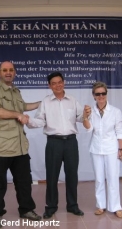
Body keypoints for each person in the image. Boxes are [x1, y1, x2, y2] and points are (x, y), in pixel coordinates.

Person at [0, 61, 42, 227]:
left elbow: (23, 106)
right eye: (4, 70)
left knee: (24, 182)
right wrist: (18, 115)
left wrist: (42, 103)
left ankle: (26, 209)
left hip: (20, 147)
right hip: (0, 147)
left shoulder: (16, 91)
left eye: (11, 70)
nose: (8, 72)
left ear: (14, 72)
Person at [26, 72, 91, 219]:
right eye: (53, 83)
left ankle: (73, 206)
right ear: (49, 86)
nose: (57, 85)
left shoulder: (73, 100)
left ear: (64, 82)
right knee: (52, 175)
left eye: (59, 82)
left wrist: (86, 114)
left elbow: (81, 118)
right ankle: (51, 207)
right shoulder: (45, 102)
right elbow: (40, 121)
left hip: (71, 142)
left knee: (72, 175)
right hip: (54, 142)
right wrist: (27, 121)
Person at [83, 81, 122, 218]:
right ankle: (100, 205)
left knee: (113, 178)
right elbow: (89, 129)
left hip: (112, 148)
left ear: (106, 94)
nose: (101, 96)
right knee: (99, 179)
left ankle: (116, 207)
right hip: (96, 148)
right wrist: (84, 116)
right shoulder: (90, 111)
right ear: (93, 95)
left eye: (103, 93)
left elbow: (120, 131)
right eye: (98, 94)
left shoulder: (115, 111)